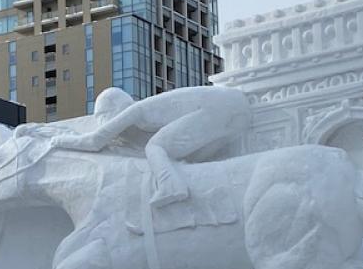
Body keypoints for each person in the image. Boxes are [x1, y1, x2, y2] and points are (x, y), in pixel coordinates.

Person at [53, 86, 251, 207]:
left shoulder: (136, 110)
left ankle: (169, 187)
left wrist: (58, 140)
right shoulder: (150, 112)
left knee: (154, 147)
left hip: (219, 108)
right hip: (237, 110)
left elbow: (94, 141)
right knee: (187, 159)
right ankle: (186, 182)